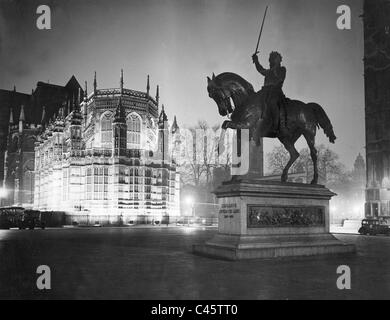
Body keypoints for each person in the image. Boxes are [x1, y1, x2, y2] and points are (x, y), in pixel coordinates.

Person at [252, 51, 286, 135]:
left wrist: (275, 70)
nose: (276, 61)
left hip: (275, 92)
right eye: (274, 59)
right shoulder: (269, 71)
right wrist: (256, 60)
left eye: (277, 59)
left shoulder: (282, 69)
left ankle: (276, 126)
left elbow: (280, 79)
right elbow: (260, 69)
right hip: (265, 92)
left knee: (272, 103)